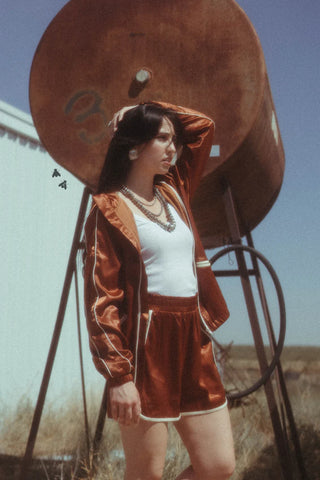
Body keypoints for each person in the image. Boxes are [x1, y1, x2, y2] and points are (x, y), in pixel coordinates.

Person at [83, 101, 235, 480]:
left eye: (173, 141)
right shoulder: (109, 210)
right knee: (147, 473)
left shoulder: (174, 191)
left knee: (218, 466)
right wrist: (119, 378)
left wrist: (144, 107)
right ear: (134, 147)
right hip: (146, 345)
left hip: (192, 337)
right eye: (162, 139)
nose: (173, 149)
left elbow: (203, 125)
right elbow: (102, 300)